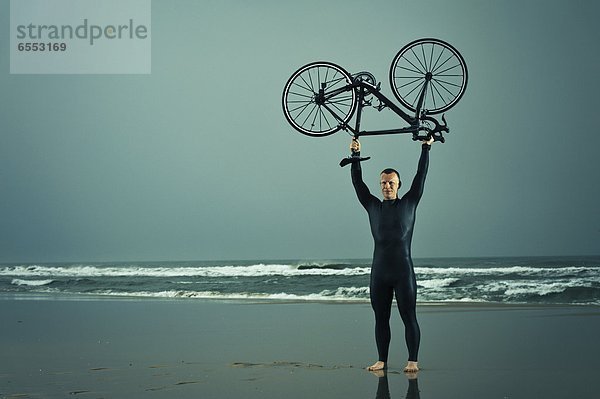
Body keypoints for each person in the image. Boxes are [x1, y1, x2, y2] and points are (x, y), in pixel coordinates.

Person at [349, 135, 434, 373]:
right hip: (380, 272)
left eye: (391, 183)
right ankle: (381, 360)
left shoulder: (410, 202)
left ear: (399, 185)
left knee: (409, 317)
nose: (387, 186)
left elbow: (421, 175)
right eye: (384, 183)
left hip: (403, 271)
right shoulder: (372, 206)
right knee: (380, 319)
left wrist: (426, 148)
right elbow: (358, 184)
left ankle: (412, 361)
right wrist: (356, 156)